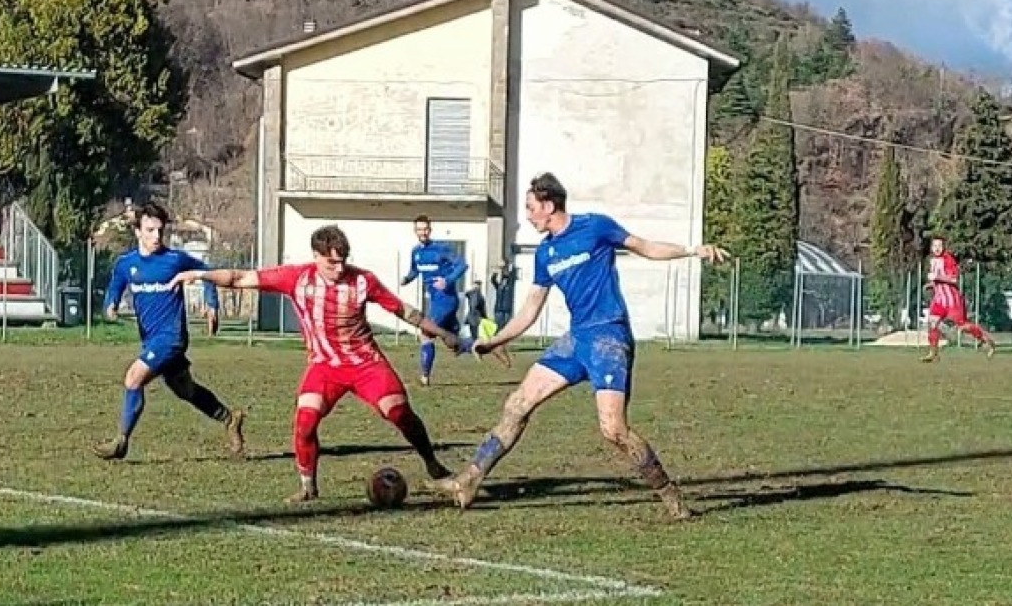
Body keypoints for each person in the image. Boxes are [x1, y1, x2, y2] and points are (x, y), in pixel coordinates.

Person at [429, 172, 729, 520]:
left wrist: (693, 250)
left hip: (609, 337)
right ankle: (469, 479)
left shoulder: (596, 226)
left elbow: (645, 247)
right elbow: (530, 309)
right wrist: (496, 340)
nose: (528, 216)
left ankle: (670, 496)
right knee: (517, 405)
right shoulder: (545, 253)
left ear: (549, 205)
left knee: (613, 430)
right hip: (576, 340)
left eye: (530, 208)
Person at [170, 224, 475, 503]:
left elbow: (405, 311)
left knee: (399, 413)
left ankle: (432, 463)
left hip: (365, 364)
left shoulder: (363, 280)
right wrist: (198, 275)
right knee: (305, 420)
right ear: (315, 256)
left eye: (343, 261)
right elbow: (239, 278)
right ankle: (308, 486)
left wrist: (444, 334)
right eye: (332, 263)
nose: (339, 268)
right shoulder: (296, 277)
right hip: (324, 366)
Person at [95, 201, 246, 461]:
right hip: (151, 339)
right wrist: (111, 304)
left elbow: (206, 272)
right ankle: (229, 418)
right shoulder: (126, 264)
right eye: (150, 230)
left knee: (133, 378)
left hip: (172, 338)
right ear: (138, 232)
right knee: (185, 390)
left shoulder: (174, 260)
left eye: (160, 230)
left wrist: (211, 304)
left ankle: (121, 441)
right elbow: (116, 285)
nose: (156, 236)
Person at [400, 215, 467, 385]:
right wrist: (407, 279)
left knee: (426, 333)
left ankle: (424, 377)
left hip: (446, 300)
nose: (422, 232)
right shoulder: (416, 252)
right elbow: (415, 271)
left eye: (425, 229)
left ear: (430, 230)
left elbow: (462, 264)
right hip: (435, 300)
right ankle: (485, 346)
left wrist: (447, 280)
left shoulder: (441, 248)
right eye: (419, 229)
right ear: (415, 231)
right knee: (453, 342)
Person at [921, 236, 995, 363]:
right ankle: (933, 353)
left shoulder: (948, 259)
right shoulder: (933, 260)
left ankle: (985, 340)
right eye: (935, 246)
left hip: (952, 300)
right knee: (932, 323)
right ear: (931, 247)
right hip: (939, 299)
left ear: (944, 247)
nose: (937, 248)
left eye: (940, 246)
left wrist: (937, 277)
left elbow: (954, 279)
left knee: (963, 326)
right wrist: (931, 284)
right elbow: (938, 279)